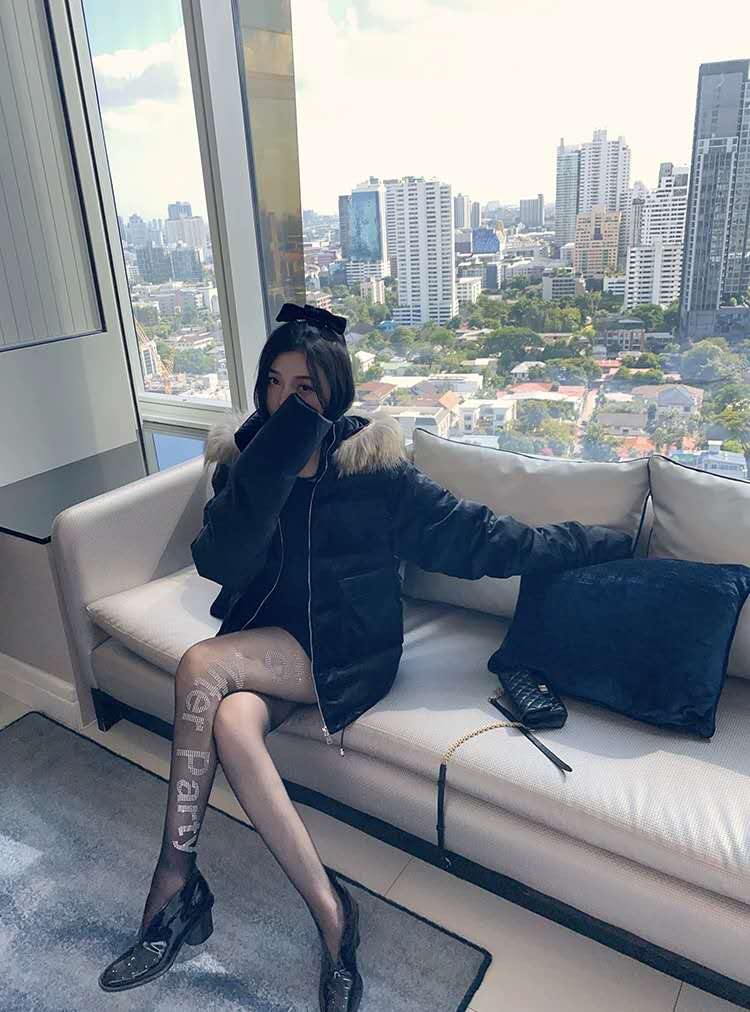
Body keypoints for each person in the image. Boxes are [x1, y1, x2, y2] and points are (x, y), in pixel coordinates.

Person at [99, 302, 633, 1010]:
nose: (285, 401)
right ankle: (332, 913)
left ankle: (173, 881)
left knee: (201, 664)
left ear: (335, 395)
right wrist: (268, 469)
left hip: (348, 649)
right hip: (262, 643)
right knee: (228, 721)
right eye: (274, 383)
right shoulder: (247, 462)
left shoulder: (375, 474)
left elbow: (483, 540)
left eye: (305, 388)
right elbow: (219, 562)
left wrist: (598, 544)